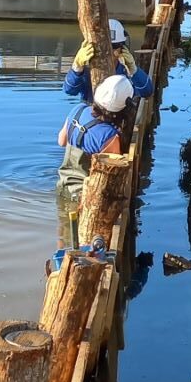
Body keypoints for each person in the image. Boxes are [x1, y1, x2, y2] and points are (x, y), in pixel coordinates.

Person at [55, 72, 134, 257]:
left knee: (66, 238)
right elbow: (113, 175)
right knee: (86, 245)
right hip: (86, 197)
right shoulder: (109, 136)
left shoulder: (78, 109)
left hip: (63, 188)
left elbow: (61, 140)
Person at [63, 17, 152, 103]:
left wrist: (133, 70)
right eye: (103, 47)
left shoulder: (126, 70)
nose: (108, 52)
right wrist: (77, 67)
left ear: (122, 48)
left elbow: (147, 91)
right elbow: (69, 90)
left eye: (114, 47)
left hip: (122, 115)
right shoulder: (87, 70)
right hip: (92, 114)